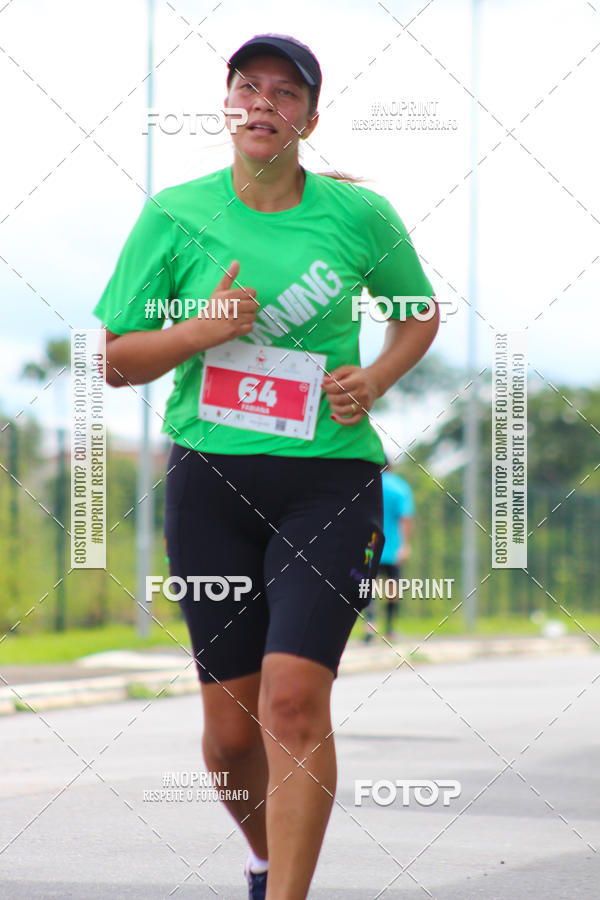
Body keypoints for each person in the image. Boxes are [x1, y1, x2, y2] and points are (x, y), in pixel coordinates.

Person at [94, 33, 438, 900]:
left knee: (291, 700)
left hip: (329, 478)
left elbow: (418, 314)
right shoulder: (175, 214)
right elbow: (118, 360)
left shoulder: (360, 218)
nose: (264, 103)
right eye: (250, 87)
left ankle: (286, 894)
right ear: (228, 106)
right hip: (211, 481)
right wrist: (198, 333)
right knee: (230, 734)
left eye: (286, 94)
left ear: (308, 120)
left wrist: (376, 376)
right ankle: (262, 858)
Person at [363, 460, 415, 642]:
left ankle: (370, 628)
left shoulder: (367, 486)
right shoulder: (400, 487)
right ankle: (390, 630)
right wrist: (405, 545)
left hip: (370, 545)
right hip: (393, 547)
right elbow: (406, 518)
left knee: (370, 587)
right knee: (393, 588)